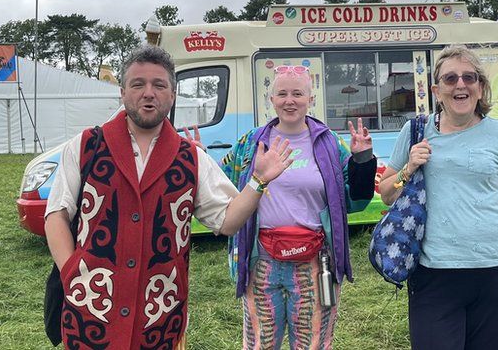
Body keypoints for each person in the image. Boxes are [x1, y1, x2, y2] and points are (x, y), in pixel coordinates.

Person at [45, 45, 293, 349]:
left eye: (159, 85)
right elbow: (56, 213)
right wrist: (70, 272)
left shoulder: (191, 159)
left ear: (172, 95)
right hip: (91, 316)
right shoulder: (86, 146)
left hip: (159, 319)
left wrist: (259, 180)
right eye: (138, 84)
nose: (148, 93)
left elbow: (227, 221)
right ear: (122, 92)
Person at [379, 44, 498, 350]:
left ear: (480, 87)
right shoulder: (416, 131)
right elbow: (385, 193)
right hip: (434, 273)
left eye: (469, 77)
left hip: (495, 271)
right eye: (450, 79)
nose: (460, 84)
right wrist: (408, 169)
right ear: (437, 90)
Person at [222, 64, 377, 350]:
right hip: (262, 262)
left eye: (297, 93)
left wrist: (362, 161)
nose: (289, 100)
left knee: (314, 344)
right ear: (272, 100)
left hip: (316, 264)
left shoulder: (329, 143)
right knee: (259, 345)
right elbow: (221, 186)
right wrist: (194, 159)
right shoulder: (250, 143)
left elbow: (356, 200)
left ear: (310, 99)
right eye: (281, 93)